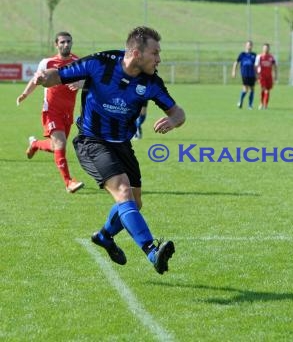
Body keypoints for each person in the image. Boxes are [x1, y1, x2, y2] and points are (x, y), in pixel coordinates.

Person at [32, 26, 186, 274]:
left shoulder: (151, 82)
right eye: (155, 53)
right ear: (136, 53)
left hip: (122, 144)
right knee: (123, 192)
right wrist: (44, 78)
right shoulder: (99, 63)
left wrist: (174, 120)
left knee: (135, 203)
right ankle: (152, 251)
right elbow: (57, 75)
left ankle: (104, 236)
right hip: (92, 142)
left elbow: (178, 112)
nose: (159, 59)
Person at [16, 31, 84, 193]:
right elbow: (36, 81)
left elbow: (87, 79)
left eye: (68, 41)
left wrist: (80, 84)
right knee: (61, 144)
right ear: (56, 44)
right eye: (62, 42)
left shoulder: (78, 62)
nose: (66, 44)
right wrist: (25, 94)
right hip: (51, 110)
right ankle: (69, 182)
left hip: (68, 111)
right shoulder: (47, 63)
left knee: (56, 146)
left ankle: (35, 144)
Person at [232, 40, 256, 109]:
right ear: (245, 46)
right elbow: (236, 62)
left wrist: (257, 74)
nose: (249, 46)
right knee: (245, 90)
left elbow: (256, 65)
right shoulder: (242, 54)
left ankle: (250, 105)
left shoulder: (254, 55)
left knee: (252, 90)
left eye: (251, 45)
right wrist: (234, 71)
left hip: (252, 74)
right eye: (248, 45)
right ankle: (240, 101)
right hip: (245, 74)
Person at [255, 43, 278, 110]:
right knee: (265, 90)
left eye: (267, 48)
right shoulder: (259, 57)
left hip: (269, 76)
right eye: (264, 48)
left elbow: (274, 66)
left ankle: (264, 104)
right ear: (262, 48)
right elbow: (256, 66)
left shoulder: (271, 57)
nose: (266, 49)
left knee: (267, 90)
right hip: (262, 76)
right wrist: (257, 75)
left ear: (269, 49)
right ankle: (262, 104)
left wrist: (275, 75)